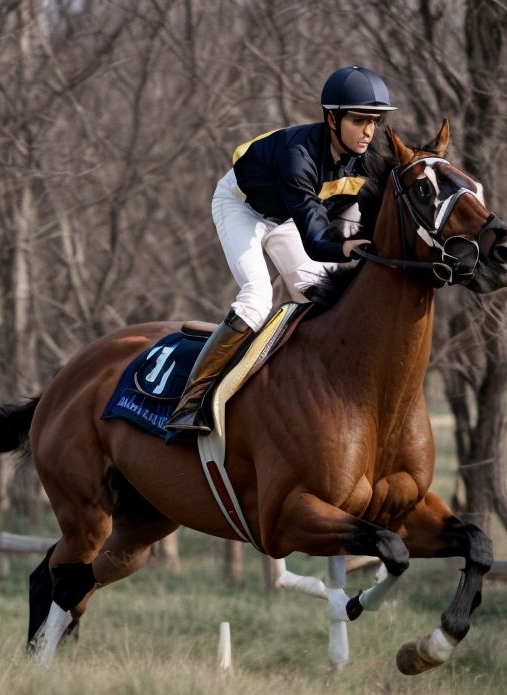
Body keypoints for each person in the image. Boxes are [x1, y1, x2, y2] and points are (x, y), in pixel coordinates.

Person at [166, 65, 396, 434]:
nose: (369, 131)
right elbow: (317, 240)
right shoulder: (298, 157)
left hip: (286, 218)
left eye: (375, 121)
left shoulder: (367, 157)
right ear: (332, 119)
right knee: (257, 298)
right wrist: (348, 247)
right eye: (359, 120)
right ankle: (190, 403)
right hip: (241, 207)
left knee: (320, 296)